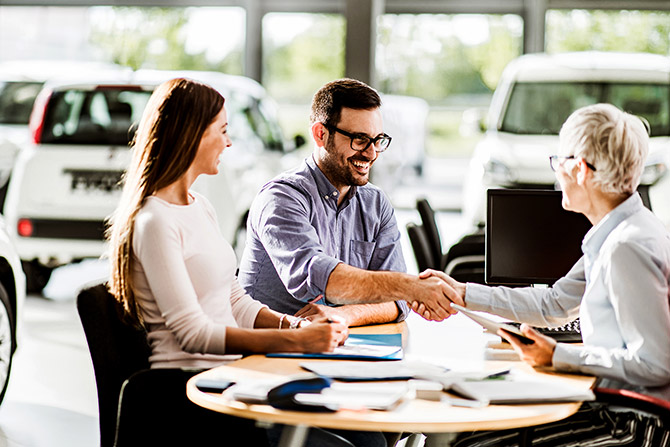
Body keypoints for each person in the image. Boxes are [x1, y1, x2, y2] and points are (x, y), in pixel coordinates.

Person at [106, 78, 382, 447]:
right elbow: (195, 335)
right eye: (222, 130)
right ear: (192, 135)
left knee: (371, 437)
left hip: (234, 376)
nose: (229, 142)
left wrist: (295, 325)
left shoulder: (198, 206)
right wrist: (295, 340)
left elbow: (235, 301)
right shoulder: (155, 221)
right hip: (190, 393)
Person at [417, 103, 670, 445]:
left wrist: (558, 356)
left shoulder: (626, 246)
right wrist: (463, 292)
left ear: (580, 169)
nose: (556, 174)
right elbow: (554, 305)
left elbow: (656, 364)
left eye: (559, 162)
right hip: (614, 407)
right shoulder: (619, 232)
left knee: (471, 444)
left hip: (630, 425)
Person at [238, 78, 460, 326]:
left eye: (378, 140)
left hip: (338, 345)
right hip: (266, 351)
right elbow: (318, 279)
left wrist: (345, 315)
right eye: (359, 140)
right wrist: (410, 287)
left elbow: (396, 303)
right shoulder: (281, 198)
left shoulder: (375, 203)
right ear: (320, 134)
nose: (372, 153)